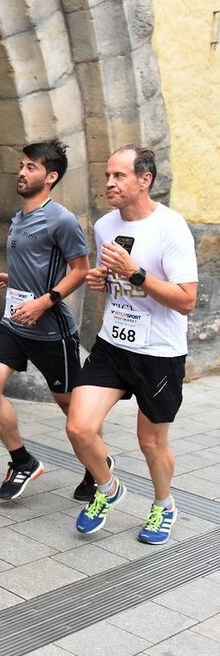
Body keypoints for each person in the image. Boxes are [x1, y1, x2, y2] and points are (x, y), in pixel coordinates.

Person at [67, 146, 197, 544]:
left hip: (159, 353)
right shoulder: (105, 225)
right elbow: (113, 279)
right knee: (78, 427)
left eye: (119, 176)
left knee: (150, 442)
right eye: (108, 175)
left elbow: (187, 300)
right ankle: (108, 488)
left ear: (145, 179)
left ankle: (163, 505)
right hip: (114, 343)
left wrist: (135, 274)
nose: (109, 183)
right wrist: (102, 280)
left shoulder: (171, 228)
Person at [0, 140, 90, 501]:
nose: (22, 172)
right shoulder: (20, 215)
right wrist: (13, 280)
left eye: (31, 167)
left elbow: (80, 270)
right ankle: (22, 461)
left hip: (51, 329)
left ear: (51, 176)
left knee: (71, 408)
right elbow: (37, 264)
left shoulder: (62, 219)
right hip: (14, 323)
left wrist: (44, 301)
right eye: (22, 165)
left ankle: (97, 467)